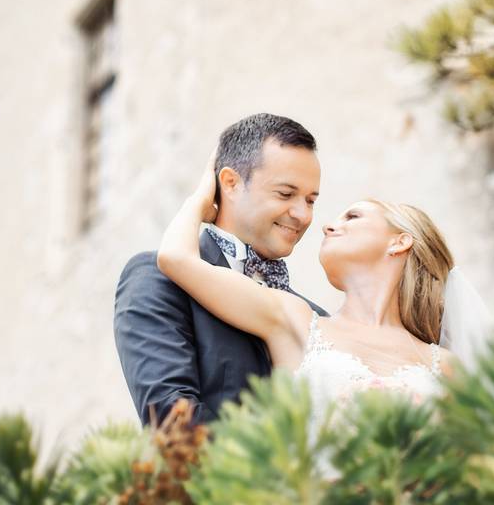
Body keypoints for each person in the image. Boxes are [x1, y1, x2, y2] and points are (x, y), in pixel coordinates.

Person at [157, 155, 460, 420]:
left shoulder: (446, 365)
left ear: (400, 240)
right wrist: (201, 200)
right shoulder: (295, 319)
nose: (326, 225)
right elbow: (175, 257)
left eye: (352, 216)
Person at [113, 113, 327, 425]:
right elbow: (173, 423)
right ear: (230, 183)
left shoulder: (318, 318)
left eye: (310, 200)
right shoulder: (158, 277)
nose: (302, 214)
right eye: (285, 194)